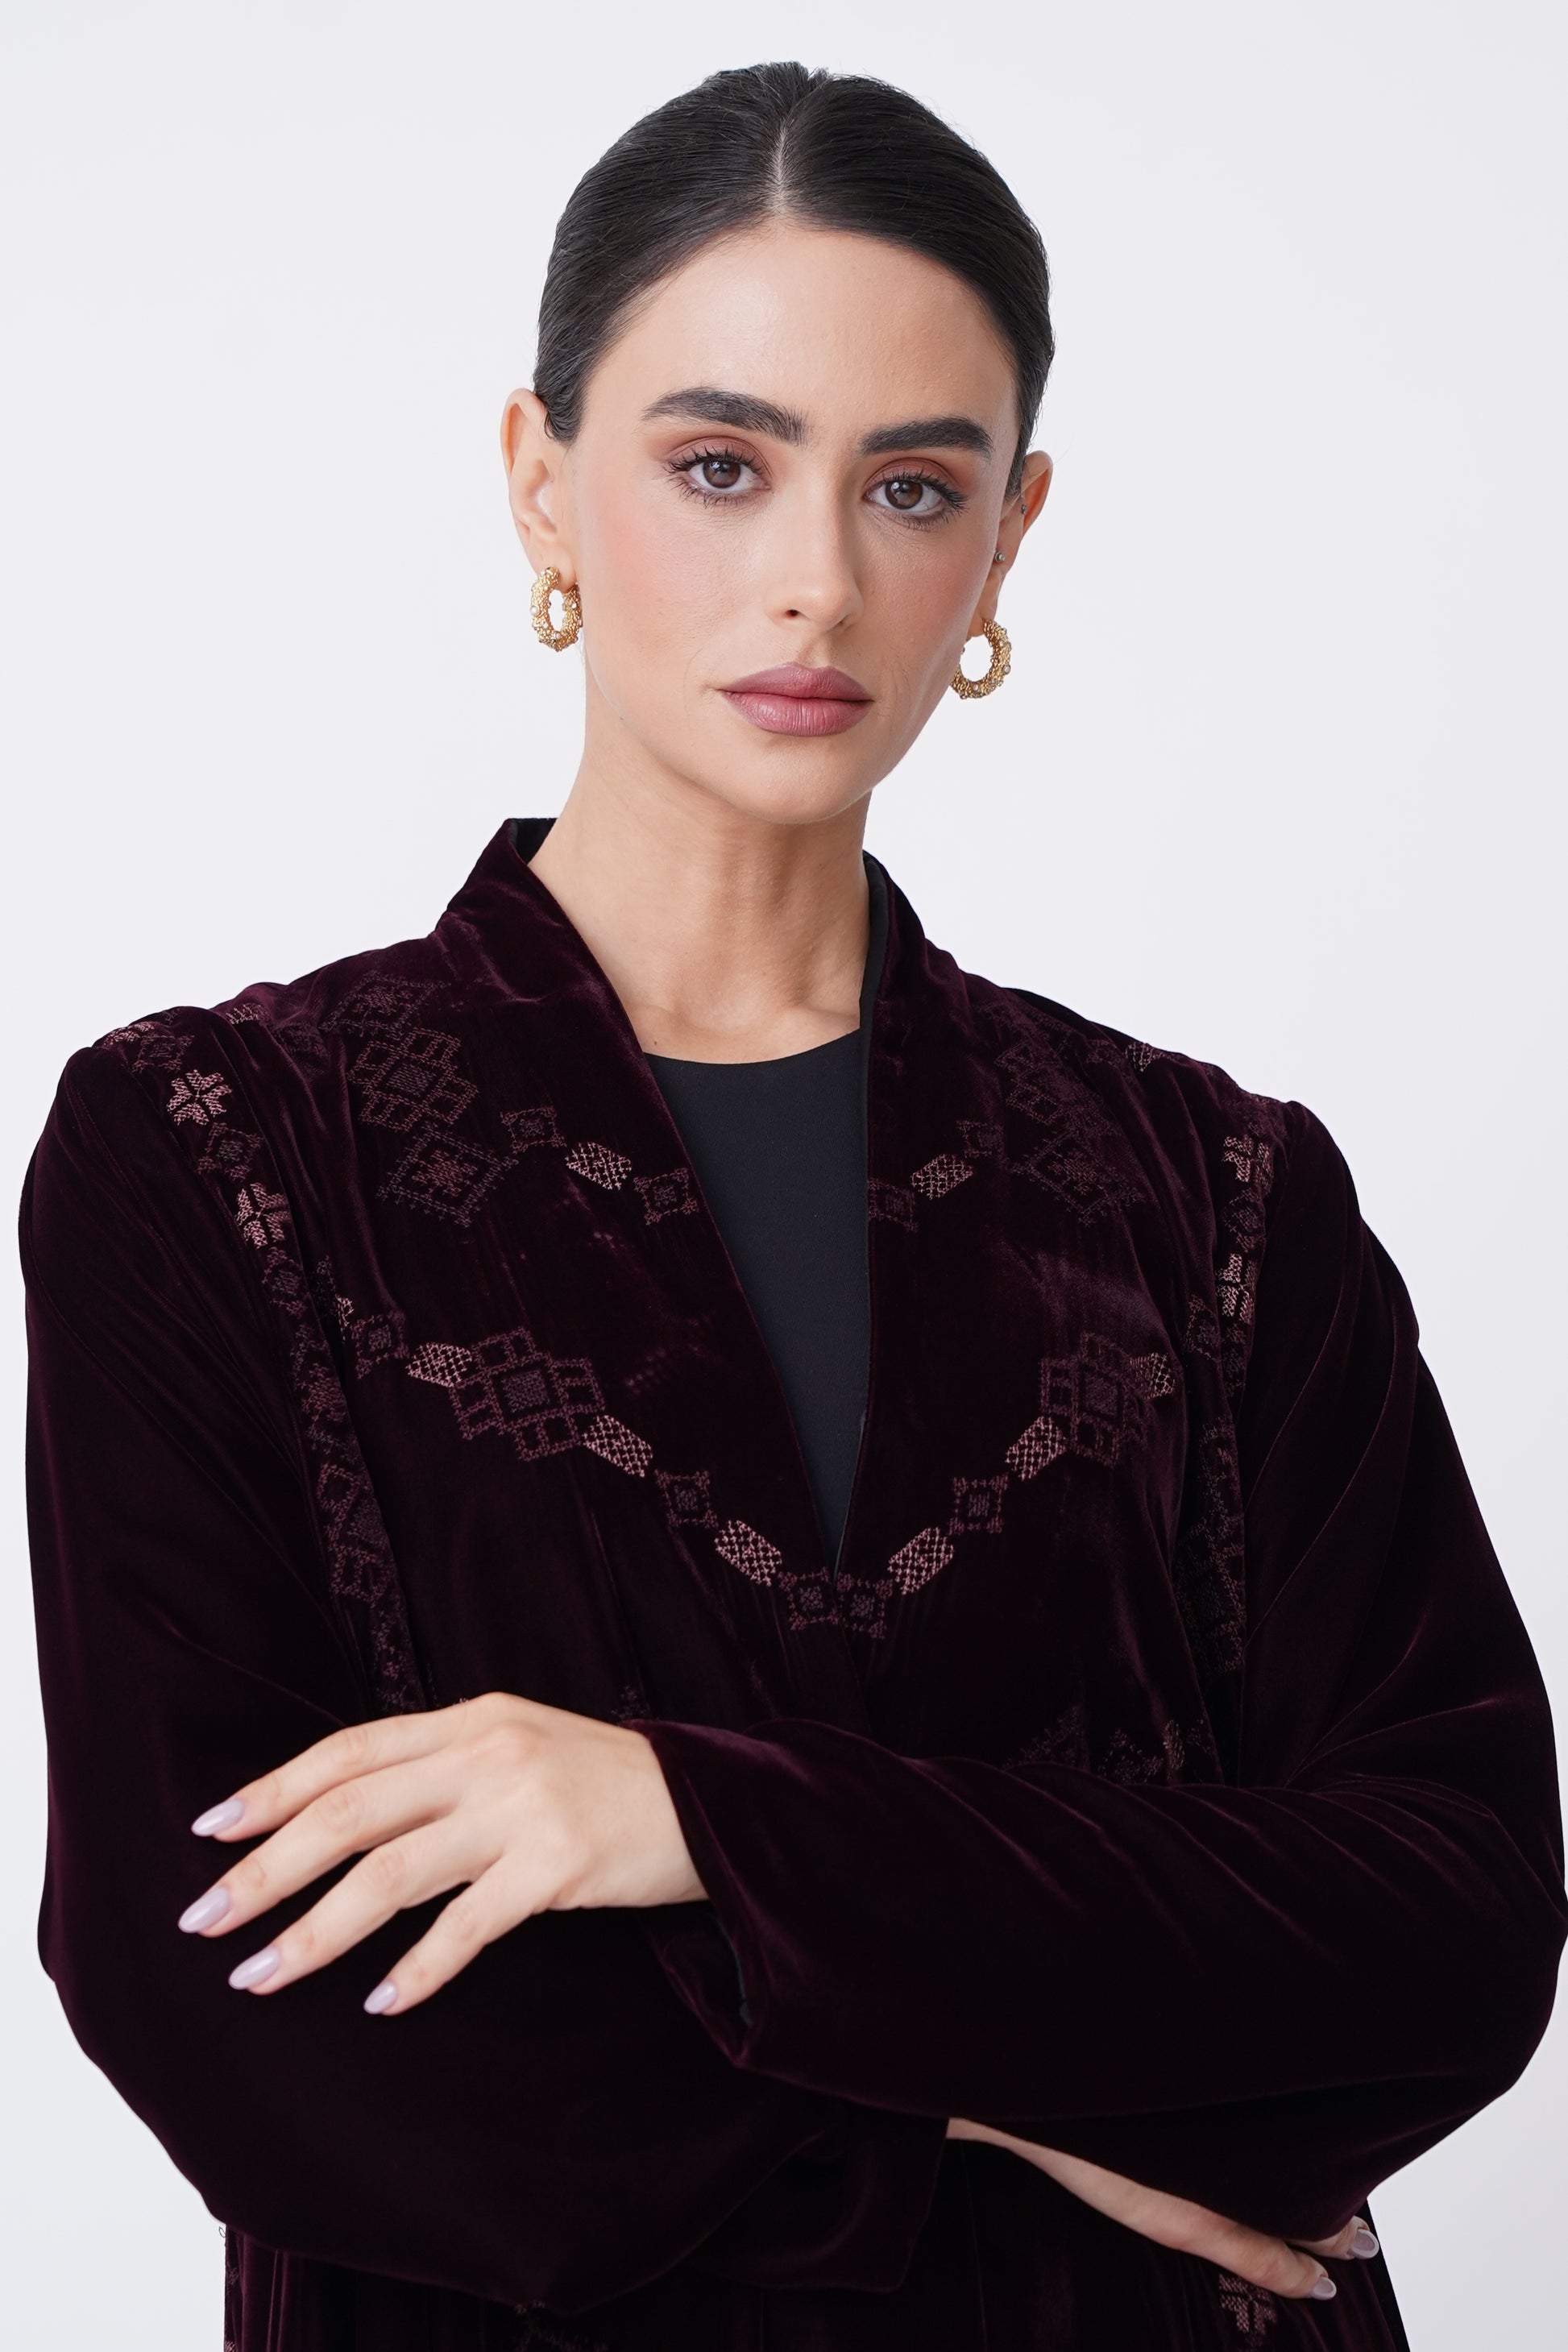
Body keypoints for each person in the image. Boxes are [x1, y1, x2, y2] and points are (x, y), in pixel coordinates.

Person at [22, 61, 1564, 2352]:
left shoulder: (1220, 1196)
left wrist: (686, 1818)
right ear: (540, 479)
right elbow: (230, 1987)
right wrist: (992, 2118)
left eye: (911, 485)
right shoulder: (216, 1152)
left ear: (1008, 539)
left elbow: (1451, 1920)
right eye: (719, 465)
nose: (818, 579)